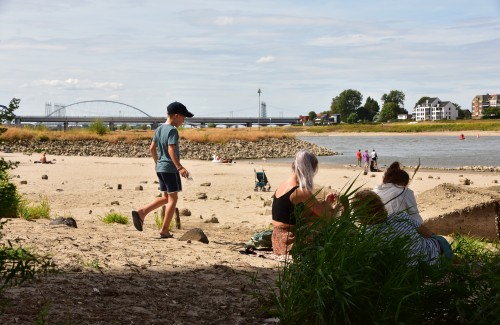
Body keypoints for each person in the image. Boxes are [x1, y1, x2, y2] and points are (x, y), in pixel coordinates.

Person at [132, 101, 194, 239]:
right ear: (176, 116)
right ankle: (164, 230)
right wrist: (180, 167)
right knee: (173, 199)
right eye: (183, 118)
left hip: (160, 168)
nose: (183, 121)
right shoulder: (172, 130)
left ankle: (142, 212)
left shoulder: (159, 129)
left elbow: (152, 148)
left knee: (165, 197)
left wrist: (156, 163)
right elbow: (171, 149)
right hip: (170, 169)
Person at [351, 189, 449, 265]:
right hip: (431, 256)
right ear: (381, 205)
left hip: (407, 267)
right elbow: (426, 232)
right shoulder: (399, 216)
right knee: (439, 240)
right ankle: (449, 260)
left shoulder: (368, 235)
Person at [271, 149, 338, 257]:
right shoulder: (301, 191)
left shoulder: (283, 184)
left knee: (312, 213)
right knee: (324, 221)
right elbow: (325, 216)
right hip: (289, 242)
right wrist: (331, 207)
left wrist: (326, 202)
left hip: (277, 239)